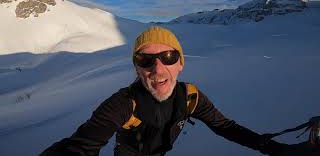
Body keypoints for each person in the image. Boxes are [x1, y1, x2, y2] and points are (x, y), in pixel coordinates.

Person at [40, 26, 287, 156]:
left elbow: (225, 126)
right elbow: (82, 145)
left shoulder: (190, 97)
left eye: (168, 56)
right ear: (137, 68)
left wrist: (273, 148)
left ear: (181, 64)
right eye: (145, 60)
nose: (157, 68)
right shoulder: (124, 103)